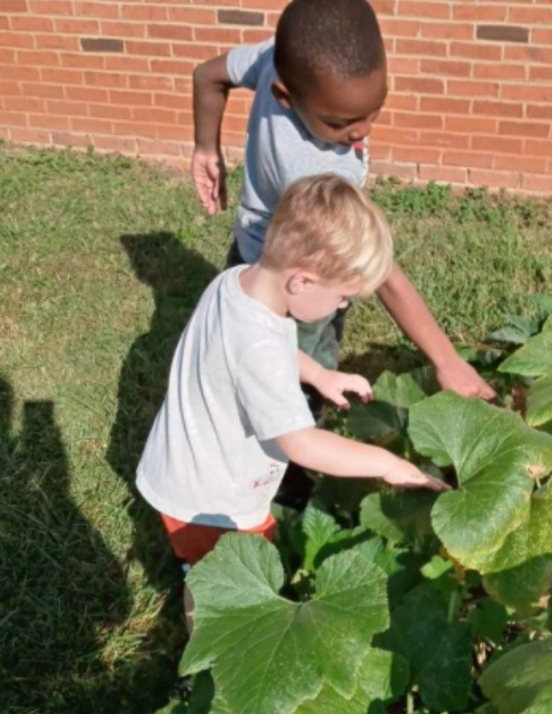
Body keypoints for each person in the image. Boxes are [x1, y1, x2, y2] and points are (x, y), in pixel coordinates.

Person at [136, 174, 449, 631]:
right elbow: (302, 444)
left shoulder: (237, 283)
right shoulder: (257, 347)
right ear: (302, 281)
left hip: (192, 466)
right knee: (216, 582)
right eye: (343, 296)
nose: (342, 307)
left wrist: (319, 374)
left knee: (223, 570)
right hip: (211, 498)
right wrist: (385, 463)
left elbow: (271, 346)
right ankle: (209, 654)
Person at [190, 0, 495, 398]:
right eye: (339, 123)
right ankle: (292, 452)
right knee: (293, 388)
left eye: (374, 110)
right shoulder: (315, 168)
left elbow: (207, 75)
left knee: (251, 364)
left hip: (250, 256)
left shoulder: (276, 59)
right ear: (285, 96)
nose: (361, 130)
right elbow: (383, 273)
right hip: (298, 285)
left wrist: (205, 148)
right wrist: (447, 360)